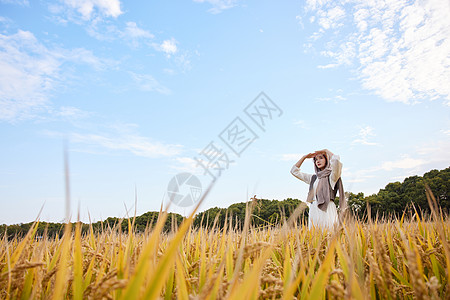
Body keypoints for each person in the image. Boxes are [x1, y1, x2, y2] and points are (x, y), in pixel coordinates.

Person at [290, 149, 347, 229]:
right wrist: (304, 157)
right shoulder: (313, 178)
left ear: (327, 160)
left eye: (321, 158)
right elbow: (294, 171)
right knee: (314, 236)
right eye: (316, 159)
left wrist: (326, 151)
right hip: (314, 209)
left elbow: (336, 160)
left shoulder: (332, 176)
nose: (318, 161)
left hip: (327, 208)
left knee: (328, 233)